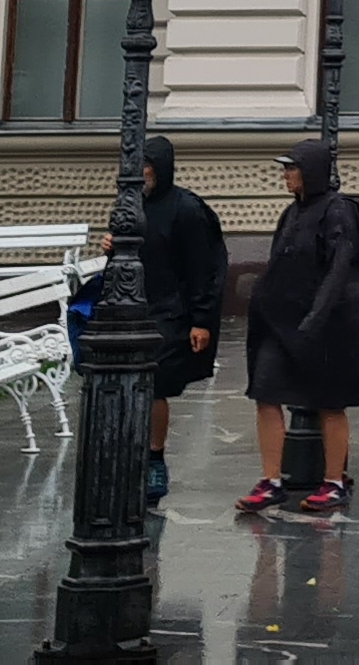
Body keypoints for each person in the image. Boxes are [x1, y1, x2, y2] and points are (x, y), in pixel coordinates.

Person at [241, 138, 359, 518]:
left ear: (311, 171)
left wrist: (316, 318)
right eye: (285, 168)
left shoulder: (338, 211)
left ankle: (334, 482)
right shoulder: (291, 213)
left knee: (329, 402)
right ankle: (271, 481)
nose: (286, 175)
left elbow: (339, 268)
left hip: (326, 326)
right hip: (281, 324)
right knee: (266, 392)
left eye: (292, 168)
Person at [107, 134, 224, 506]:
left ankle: (154, 459)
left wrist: (201, 320)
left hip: (172, 312)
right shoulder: (131, 205)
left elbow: (205, 268)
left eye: (146, 165)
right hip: (133, 307)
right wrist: (113, 247)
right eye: (136, 165)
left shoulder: (186, 209)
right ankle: (129, 456)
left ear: (161, 168)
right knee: (125, 382)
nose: (140, 172)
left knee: (155, 384)